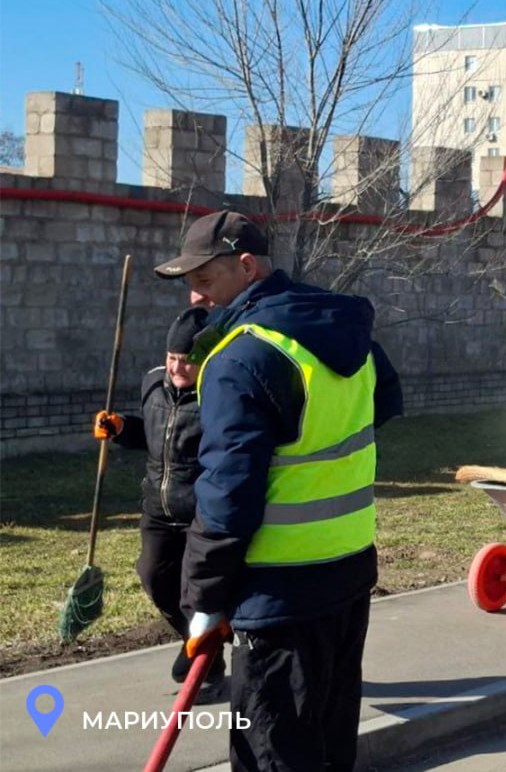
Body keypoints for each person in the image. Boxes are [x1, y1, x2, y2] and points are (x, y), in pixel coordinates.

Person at [154, 210, 403, 771]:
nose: (196, 300)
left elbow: (227, 495)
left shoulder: (243, 356)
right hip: (348, 572)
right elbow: (383, 403)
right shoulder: (339, 330)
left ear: (246, 267)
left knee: (273, 754)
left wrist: (204, 599)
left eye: (205, 282)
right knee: (329, 744)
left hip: (277, 595)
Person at [93, 306, 226, 700]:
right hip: (157, 506)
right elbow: (151, 438)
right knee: (153, 577)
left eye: (186, 361)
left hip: (199, 511)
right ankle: (201, 640)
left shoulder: (217, 395)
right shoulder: (152, 384)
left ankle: (207, 664)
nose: (177, 368)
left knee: (194, 592)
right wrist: (119, 428)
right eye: (172, 359)